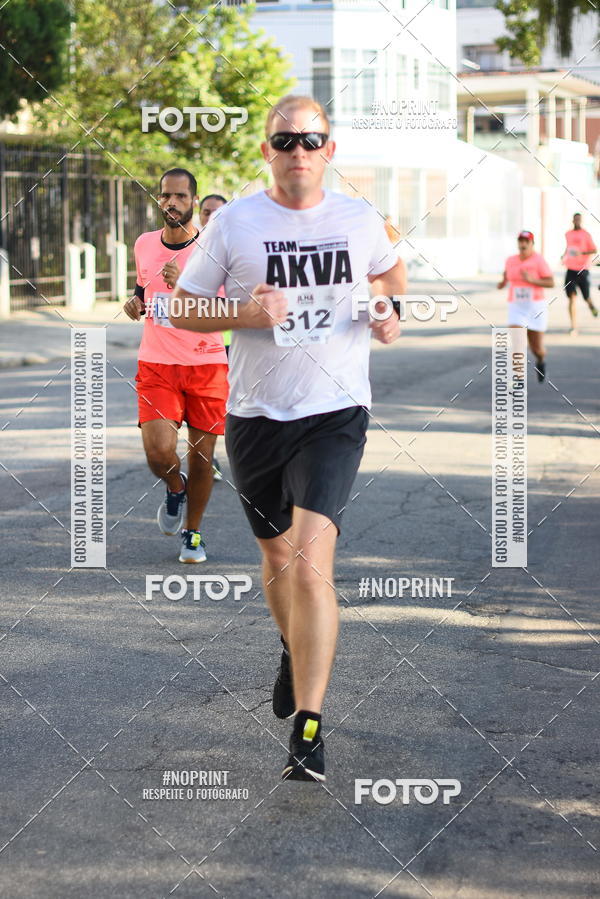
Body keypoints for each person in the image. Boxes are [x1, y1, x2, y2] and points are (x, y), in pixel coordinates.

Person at [170, 94, 406, 782]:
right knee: (275, 560)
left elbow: (391, 274)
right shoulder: (236, 223)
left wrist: (389, 310)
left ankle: (309, 724)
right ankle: (291, 643)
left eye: (312, 139)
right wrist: (245, 311)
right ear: (266, 150)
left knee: (308, 560)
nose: (298, 151)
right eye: (285, 140)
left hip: (335, 412)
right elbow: (181, 305)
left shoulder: (359, 218)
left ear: (330, 149)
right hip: (254, 417)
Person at [123, 169, 228, 563]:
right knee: (157, 451)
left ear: (193, 203)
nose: (171, 203)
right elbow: (141, 291)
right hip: (157, 363)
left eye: (181, 197)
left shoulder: (214, 250)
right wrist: (133, 303)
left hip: (206, 364)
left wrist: (187, 282)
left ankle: (193, 533)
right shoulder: (145, 243)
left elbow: (227, 310)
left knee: (202, 457)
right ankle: (174, 485)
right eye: (165, 196)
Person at [198, 193, 229, 481]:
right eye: (206, 212)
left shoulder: (237, 248)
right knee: (213, 406)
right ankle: (211, 457)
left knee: (233, 405)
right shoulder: (191, 249)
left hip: (236, 341)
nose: (211, 219)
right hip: (203, 343)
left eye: (218, 213)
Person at [497, 230, 554, 382]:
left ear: (531, 244)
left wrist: (532, 280)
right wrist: (502, 283)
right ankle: (518, 381)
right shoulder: (510, 260)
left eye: (526, 241)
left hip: (536, 307)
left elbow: (551, 282)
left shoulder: (539, 260)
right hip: (516, 306)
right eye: (520, 241)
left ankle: (541, 360)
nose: (522, 244)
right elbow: (506, 275)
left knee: (537, 349)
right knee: (517, 343)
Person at [562, 212, 598, 335]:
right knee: (572, 298)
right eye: (575, 219)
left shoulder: (586, 234)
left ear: (581, 221)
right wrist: (564, 255)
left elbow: (594, 249)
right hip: (570, 269)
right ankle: (574, 327)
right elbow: (568, 247)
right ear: (573, 221)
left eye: (579, 219)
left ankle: (592, 307)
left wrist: (581, 254)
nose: (577, 221)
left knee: (586, 297)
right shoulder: (568, 234)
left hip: (583, 270)